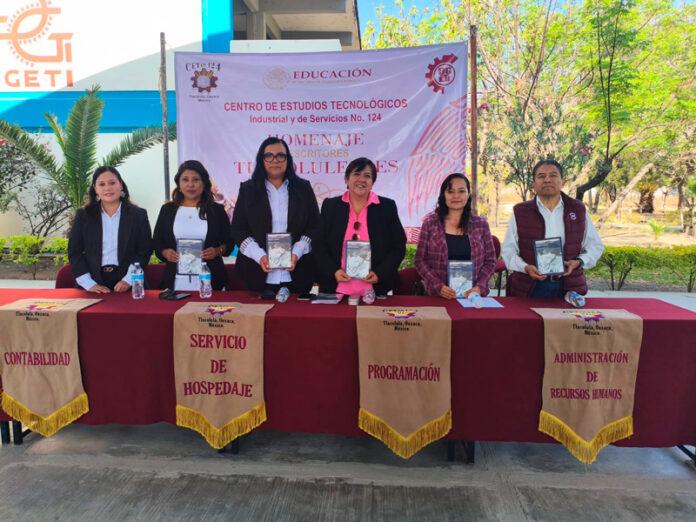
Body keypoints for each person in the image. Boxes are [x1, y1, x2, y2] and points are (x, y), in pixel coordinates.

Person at [502, 159, 604, 298]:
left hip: (569, 287)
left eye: (553, 175)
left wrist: (579, 262)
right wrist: (525, 267)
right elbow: (508, 250)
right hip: (529, 287)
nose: (547, 180)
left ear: (562, 181)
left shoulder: (577, 209)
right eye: (541, 176)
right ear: (533, 183)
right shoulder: (521, 212)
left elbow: (595, 246)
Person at [230, 137, 320, 294]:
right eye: (269, 156)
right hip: (256, 274)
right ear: (262, 160)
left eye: (280, 155)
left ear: (287, 159)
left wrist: (297, 251)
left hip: (298, 274)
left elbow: (315, 226)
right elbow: (238, 230)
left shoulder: (303, 188)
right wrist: (259, 255)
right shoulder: (248, 190)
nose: (275, 160)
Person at [314, 157, 406, 297]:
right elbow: (319, 244)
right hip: (335, 287)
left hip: (375, 289)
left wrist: (380, 273)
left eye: (367, 176)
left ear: (372, 182)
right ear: (346, 179)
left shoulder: (387, 207)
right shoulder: (331, 206)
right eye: (356, 174)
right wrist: (334, 271)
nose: (362, 180)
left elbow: (398, 246)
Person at [68, 166, 152, 293]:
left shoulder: (138, 215)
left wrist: (128, 280)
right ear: (95, 189)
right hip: (93, 283)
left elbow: (144, 251)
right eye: (101, 184)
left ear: (121, 185)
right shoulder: (84, 215)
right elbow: (74, 252)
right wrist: (89, 284)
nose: (107, 188)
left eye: (112, 183)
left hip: (129, 284)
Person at [153, 160, 232, 291]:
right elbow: (157, 241)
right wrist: (165, 252)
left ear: (204, 183)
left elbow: (229, 242)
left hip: (211, 281)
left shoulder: (216, 210)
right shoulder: (167, 210)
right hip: (175, 282)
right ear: (179, 183)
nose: (190, 184)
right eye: (185, 180)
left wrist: (217, 251)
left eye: (196, 180)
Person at [415, 173, 496, 298]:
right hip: (438, 296)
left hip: (473, 297)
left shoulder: (481, 224)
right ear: (443, 195)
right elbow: (420, 261)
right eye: (450, 191)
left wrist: (479, 287)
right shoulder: (430, 223)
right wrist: (438, 286)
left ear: (468, 194)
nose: (456, 196)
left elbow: (490, 261)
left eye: (461, 191)